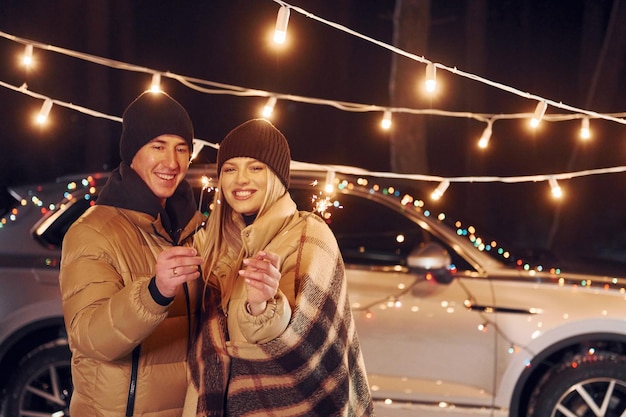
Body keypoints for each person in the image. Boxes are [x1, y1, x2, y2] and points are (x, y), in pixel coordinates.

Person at [184, 118, 373, 416]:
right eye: (230, 169)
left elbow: (307, 344)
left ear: (276, 175)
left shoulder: (309, 235)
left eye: (255, 167)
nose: (240, 180)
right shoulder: (210, 243)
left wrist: (261, 307)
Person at [59, 91, 205, 417]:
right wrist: (155, 292)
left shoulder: (198, 230)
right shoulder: (94, 231)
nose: (172, 162)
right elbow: (91, 339)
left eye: (182, 149)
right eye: (158, 146)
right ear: (132, 152)